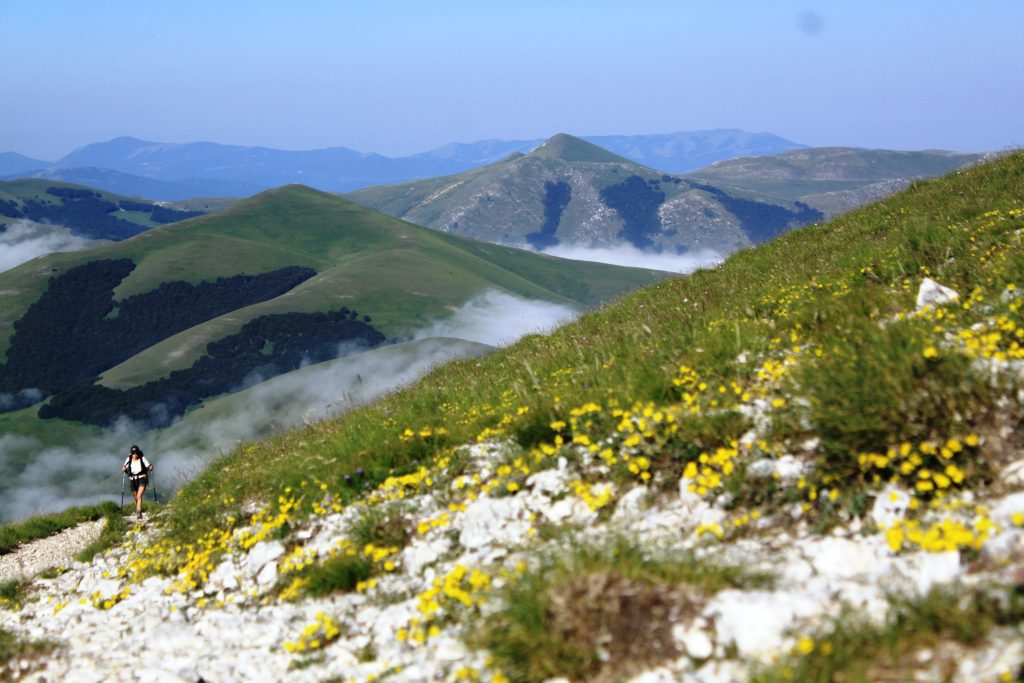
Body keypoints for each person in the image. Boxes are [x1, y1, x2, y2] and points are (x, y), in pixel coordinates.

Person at [122, 445, 153, 517]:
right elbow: (125, 467)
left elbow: (148, 466)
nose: (135, 454)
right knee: (135, 497)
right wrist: (124, 469)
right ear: (131, 453)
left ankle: (139, 512)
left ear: (138, 453)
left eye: (136, 453)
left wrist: (150, 467)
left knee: (139, 496)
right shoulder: (129, 459)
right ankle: (137, 510)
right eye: (133, 453)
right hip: (132, 479)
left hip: (142, 478)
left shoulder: (142, 458)